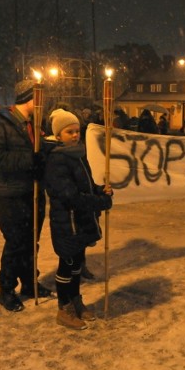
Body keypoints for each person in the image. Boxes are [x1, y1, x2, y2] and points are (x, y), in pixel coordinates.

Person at [0, 79, 52, 312]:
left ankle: (30, 283)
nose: (44, 102)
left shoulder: (35, 123)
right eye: (40, 97)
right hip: (10, 194)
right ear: (28, 99)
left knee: (32, 241)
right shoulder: (0, 123)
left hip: (33, 191)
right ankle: (6, 289)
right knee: (16, 242)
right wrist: (30, 160)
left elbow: (39, 154)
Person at [44, 109, 113, 329]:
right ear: (58, 135)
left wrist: (101, 191)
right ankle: (63, 308)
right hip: (67, 224)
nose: (75, 135)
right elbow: (70, 196)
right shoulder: (57, 159)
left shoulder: (78, 154)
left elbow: (88, 186)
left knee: (76, 267)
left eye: (77, 131)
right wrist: (99, 202)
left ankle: (75, 300)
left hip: (80, 223)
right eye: (69, 132)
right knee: (67, 267)